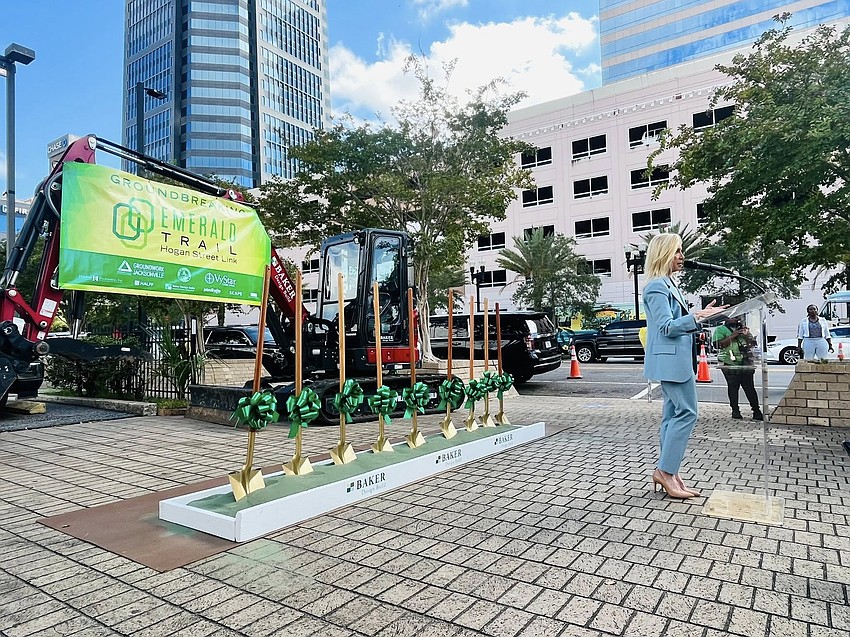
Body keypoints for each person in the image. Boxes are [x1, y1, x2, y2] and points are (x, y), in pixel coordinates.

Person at [642, 233, 727, 499]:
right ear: (664, 254)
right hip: (671, 362)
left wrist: (698, 319)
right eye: (677, 251)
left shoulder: (668, 284)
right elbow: (666, 327)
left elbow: (678, 324)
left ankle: (670, 472)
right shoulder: (656, 287)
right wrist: (698, 316)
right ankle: (666, 471)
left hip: (676, 360)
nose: (682, 256)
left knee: (672, 416)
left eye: (681, 251)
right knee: (687, 413)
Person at [712, 317, 763, 421]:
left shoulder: (744, 329)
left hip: (746, 362)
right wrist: (733, 336)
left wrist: (747, 335)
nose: (735, 319)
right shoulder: (720, 329)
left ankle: (756, 410)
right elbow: (718, 345)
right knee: (733, 387)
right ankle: (735, 410)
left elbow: (753, 344)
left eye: (737, 318)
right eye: (733, 317)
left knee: (749, 387)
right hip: (729, 362)